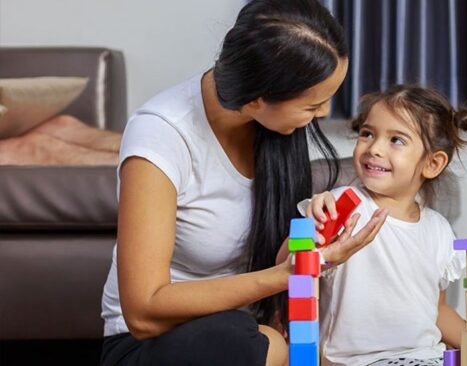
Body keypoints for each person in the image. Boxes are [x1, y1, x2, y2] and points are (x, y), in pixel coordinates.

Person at [99, 1, 387, 365]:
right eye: (313, 105)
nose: (324, 113)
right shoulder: (161, 136)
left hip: (247, 331)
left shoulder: (275, 128)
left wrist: (312, 237)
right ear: (256, 99)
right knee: (240, 341)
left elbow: (275, 252)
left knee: (260, 339)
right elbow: (143, 313)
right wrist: (285, 275)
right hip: (155, 343)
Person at [301, 85, 467, 366]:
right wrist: (312, 226)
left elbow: (437, 311)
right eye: (368, 134)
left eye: (396, 140)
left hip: (426, 357)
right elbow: (291, 269)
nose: (374, 148)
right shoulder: (343, 205)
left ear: (432, 163)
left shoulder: (438, 230)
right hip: (358, 361)